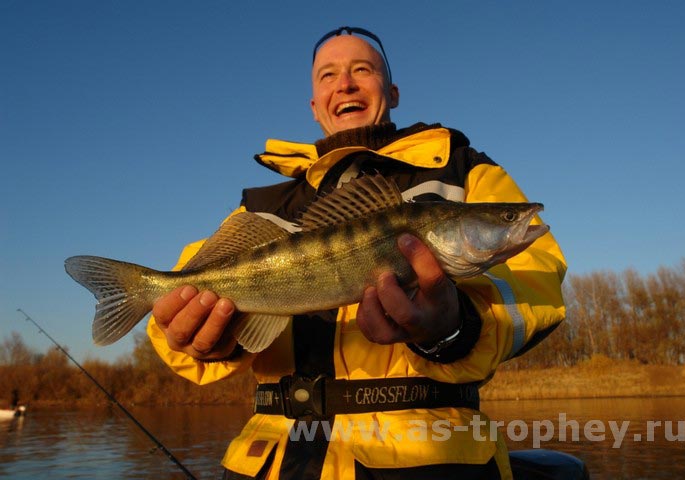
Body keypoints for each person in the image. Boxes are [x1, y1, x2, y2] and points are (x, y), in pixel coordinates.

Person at [147, 27, 567, 480]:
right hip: (273, 462)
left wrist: (457, 328)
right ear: (314, 104)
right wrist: (204, 342)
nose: (344, 83)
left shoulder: (462, 172)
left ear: (393, 90)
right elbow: (178, 305)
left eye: (362, 70)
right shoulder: (260, 208)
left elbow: (536, 282)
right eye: (328, 75)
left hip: (426, 460)